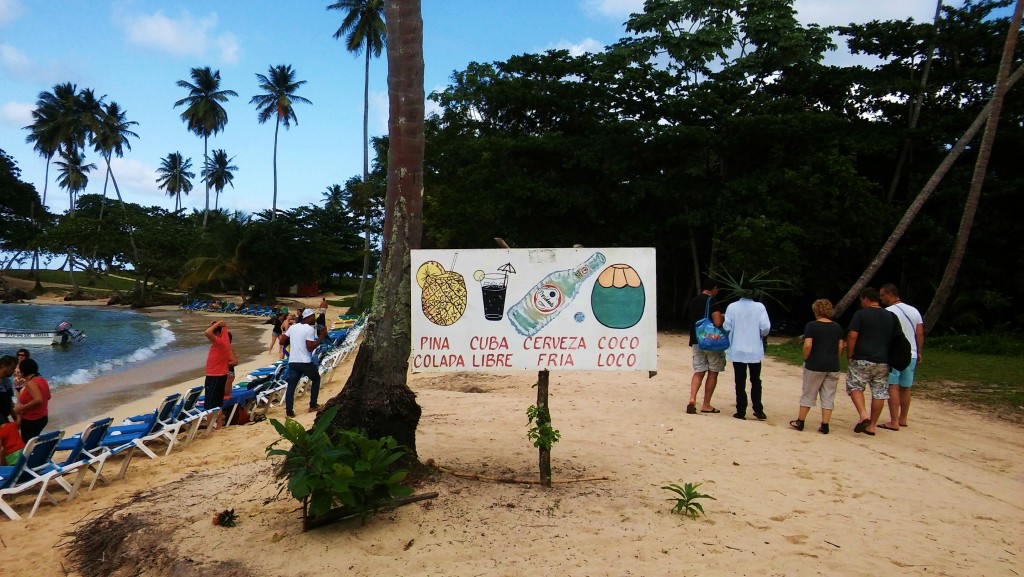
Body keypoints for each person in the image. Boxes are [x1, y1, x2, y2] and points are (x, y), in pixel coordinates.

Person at [845, 287, 897, 436]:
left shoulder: (861, 315)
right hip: (883, 360)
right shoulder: (890, 316)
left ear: (866, 299)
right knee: (879, 392)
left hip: (862, 357)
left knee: (855, 385)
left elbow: (853, 335)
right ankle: (872, 425)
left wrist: (850, 354)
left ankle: (863, 415)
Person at [790, 299, 844, 434]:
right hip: (832, 364)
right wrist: (835, 357)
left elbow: (808, 345)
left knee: (809, 392)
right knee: (828, 395)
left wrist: (806, 357)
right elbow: (840, 346)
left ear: (816, 311)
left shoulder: (812, 326)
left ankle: (800, 421)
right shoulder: (837, 327)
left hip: (815, 364)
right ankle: (825, 424)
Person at [879, 283, 925, 430]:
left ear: (889, 294)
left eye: (882, 295)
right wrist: (919, 351)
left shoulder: (888, 312)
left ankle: (894, 421)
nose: (881, 298)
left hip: (894, 354)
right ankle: (903, 418)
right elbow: (920, 333)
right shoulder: (914, 311)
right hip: (910, 353)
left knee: (893, 386)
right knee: (906, 387)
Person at [723, 294, 771, 420]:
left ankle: (741, 410)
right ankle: (758, 409)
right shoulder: (759, 307)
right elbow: (765, 327)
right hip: (754, 349)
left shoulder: (732, 307)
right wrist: (759, 334)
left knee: (740, 381)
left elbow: (727, 326)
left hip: (737, 348)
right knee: (755, 380)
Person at [685, 279, 725, 414]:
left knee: (699, 371)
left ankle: (692, 398)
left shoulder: (694, 300)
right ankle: (706, 404)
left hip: (696, 339)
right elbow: (717, 322)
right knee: (713, 371)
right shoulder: (712, 301)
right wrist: (724, 317)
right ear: (713, 288)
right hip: (711, 341)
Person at [280, 308, 327, 418]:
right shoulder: (309, 329)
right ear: (309, 317)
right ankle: (313, 405)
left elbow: (282, 341)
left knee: (291, 386)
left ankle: (289, 412)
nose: (314, 319)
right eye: (313, 317)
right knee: (316, 378)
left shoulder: (293, 327)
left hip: (293, 361)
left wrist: (293, 341)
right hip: (304, 361)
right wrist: (321, 337)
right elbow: (310, 347)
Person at [12, 358, 51, 441]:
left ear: (23, 372)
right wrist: (19, 389)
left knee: (27, 444)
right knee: (32, 442)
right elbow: (48, 396)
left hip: (32, 420)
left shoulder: (31, 383)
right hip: (43, 417)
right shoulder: (42, 379)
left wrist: (20, 409)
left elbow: (38, 399)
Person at [203, 320, 232, 428]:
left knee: (210, 405)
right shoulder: (225, 340)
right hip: (220, 375)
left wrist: (217, 324)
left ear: (218, 333)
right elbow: (213, 331)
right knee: (218, 403)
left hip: (214, 376)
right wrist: (219, 325)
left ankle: (210, 427)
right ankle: (219, 425)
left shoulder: (219, 342)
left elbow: (207, 332)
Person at [0, 354, 17, 420]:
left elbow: (9, 400)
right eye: (12, 368)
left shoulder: (7, 381)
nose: (13, 371)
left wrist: (15, 418)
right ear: (3, 366)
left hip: (4, 417)